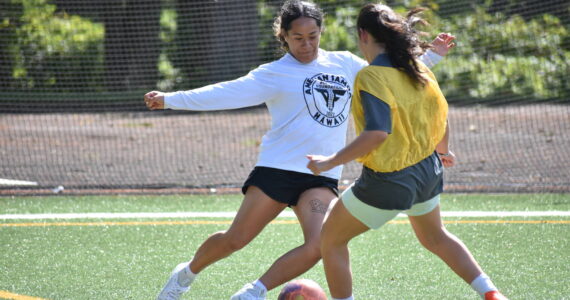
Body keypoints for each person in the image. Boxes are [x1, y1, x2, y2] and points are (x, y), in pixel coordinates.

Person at [144, 1, 453, 299]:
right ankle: (185, 275)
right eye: (298, 38)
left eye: (313, 36)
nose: (306, 45)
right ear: (284, 36)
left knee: (321, 243)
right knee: (235, 240)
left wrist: (433, 58)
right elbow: (225, 93)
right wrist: (171, 99)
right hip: (277, 169)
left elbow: (394, 79)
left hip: (321, 173)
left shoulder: (346, 64)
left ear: (321, 32)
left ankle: (254, 292)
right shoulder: (273, 73)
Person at [306, 4, 507, 300]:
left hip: (390, 181)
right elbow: (439, 115)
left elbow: (377, 133)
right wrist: (443, 149)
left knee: (330, 239)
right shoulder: (417, 68)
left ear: (363, 35)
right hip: (428, 171)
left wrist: (330, 161)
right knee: (435, 237)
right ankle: (490, 292)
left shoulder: (372, 76)